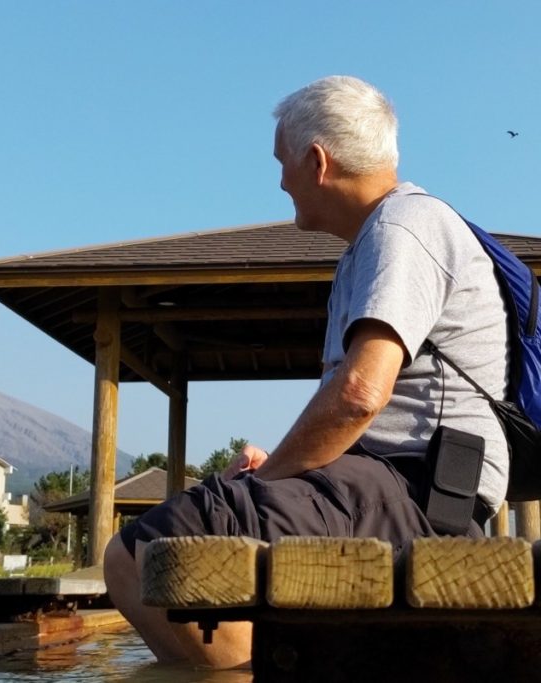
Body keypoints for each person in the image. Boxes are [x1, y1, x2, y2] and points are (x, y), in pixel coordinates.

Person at [103, 75, 510, 669]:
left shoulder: (404, 228)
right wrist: (283, 470)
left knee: (144, 549)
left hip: (422, 490)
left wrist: (262, 487)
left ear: (317, 161)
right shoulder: (380, 238)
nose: (280, 181)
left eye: (282, 162)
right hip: (398, 482)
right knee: (187, 533)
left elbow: (359, 395)